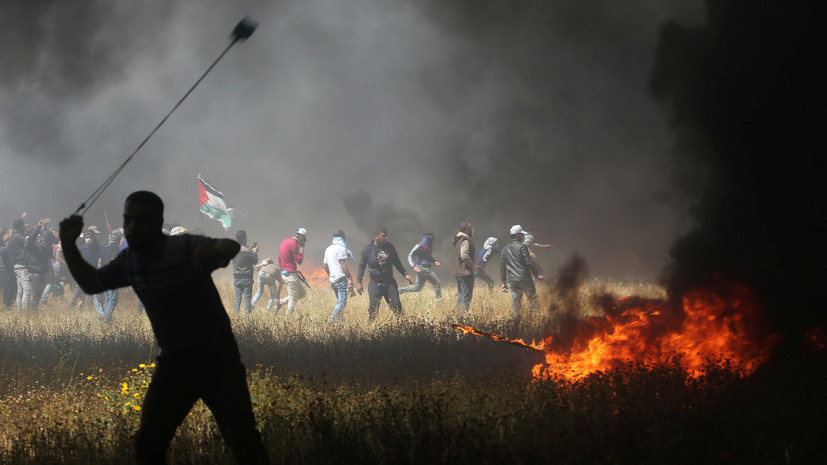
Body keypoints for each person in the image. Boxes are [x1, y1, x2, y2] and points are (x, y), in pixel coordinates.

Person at [59, 191, 269, 465]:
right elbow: (91, 283)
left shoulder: (182, 247)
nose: (132, 227)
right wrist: (67, 243)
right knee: (148, 444)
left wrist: (214, 252)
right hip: (176, 362)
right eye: (128, 220)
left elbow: (228, 247)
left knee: (243, 443)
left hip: (217, 359)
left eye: (141, 220)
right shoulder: (130, 261)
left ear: (157, 222)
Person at [356, 228, 414, 322]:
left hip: (389, 282)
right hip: (375, 283)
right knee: (373, 309)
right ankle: (371, 329)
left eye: (386, 236)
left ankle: (403, 327)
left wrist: (405, 274)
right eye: (383, 236)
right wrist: (359, 282)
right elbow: (361, 266)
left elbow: (397, 262)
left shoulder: (389, 247)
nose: (386, 238)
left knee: (397, 307)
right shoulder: (367, 250)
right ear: (376, 236)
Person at [500, 225, 545, 315]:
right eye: (521, 234)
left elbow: (502, 267)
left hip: (512, 281)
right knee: (532, 300)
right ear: (517, 236)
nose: (523, 236)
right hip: (525, 279)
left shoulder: (504, 250)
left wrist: (503, 282)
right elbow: (528, 262)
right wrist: (537, 274)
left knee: (516, 303)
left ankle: (515, 323)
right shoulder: (522, 247)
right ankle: (531, 320)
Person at [398, 231, 442, 300]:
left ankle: (399, 291)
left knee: (417, 287)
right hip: (424, 269)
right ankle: (439, 301)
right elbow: (410, 255)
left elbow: (427, 256)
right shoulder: (420, 245)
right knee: (437, 283)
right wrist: (414, 266)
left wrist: (434, 261)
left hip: (422, 268)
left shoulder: (428, 245)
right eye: (432, 236)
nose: (433, 238)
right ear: (429, 236)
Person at [323, 230, 354, 324]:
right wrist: (349, 278)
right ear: (342, 238)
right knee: (341, 304)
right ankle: (330, 323)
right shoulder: (341, 248)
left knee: (339, 303)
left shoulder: (328, 249)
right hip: (341, 280)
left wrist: (330, 275)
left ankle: (339, 325)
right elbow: (343, 264)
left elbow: (325, 265)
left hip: (333, 281)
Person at [67, 226, 103, 310]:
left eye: (90, 237)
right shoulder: (81, 248)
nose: (88, 239)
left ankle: (88, 309)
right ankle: (70, 308)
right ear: (84, 239)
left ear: (93, 238)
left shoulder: (97, 247)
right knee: (77, 291)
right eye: (86, 238)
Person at [277, 228, 307, 319]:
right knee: (293, 298)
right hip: (290, 275)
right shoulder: (294, 244)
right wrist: (302, 249)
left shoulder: (284, 241)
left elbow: (279, 258)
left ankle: (280, 302)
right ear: (301, 237)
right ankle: (287, 321)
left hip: (285, 273)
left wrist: (283, 269)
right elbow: (300, 261)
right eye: (303, 239)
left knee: (302, 293)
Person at [96, 228, 124, 322]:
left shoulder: (104, 246)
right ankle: (107, 320)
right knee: (113, 300)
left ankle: (106, 318)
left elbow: (99, 261)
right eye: (120, 238)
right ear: (117, 238)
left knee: (108, 298)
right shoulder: (115, 247)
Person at [451, 222, 477, 314]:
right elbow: (464, 255)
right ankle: (463, 317)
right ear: (467, 230)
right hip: (465, 272)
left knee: (461, 295)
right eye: (471, 228)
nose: (472, 230)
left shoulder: (458, 240)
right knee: (466, 296)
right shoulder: (465, 240)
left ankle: (458, 316)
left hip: (458, 272)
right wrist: (473, 266)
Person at [232, 230, 258, 316]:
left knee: (238, 298)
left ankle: (236, 316)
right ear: (244, 238)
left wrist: (248, 248)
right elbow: (255, 261)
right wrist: (255, 252)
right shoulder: (248, 251)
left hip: (237, 277)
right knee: (247, 298)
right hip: (246, 278)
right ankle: (247, 316)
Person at [0, 227, 17, 308]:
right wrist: (10, 234)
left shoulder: (5, 245)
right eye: (5, 234)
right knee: (7, 288)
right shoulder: (2, 247)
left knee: (11, 287)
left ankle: (9, 304)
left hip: (9, 268)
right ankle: (7, 305)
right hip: (4, 269)